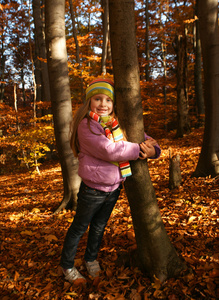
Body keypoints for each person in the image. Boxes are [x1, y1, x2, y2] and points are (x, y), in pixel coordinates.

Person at [60, 78, 161, 285]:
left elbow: (142, 137)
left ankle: (90, 259)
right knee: (80, 227)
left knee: (99, 227)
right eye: (98, 98)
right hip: (92, 191)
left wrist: (153, 150)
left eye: (108, 100)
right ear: (89, 101)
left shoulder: (116, 124)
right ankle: (67, 265)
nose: (103, 104)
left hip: (114, 189)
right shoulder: (87, 126)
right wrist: (138, 149)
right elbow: (109, 150)